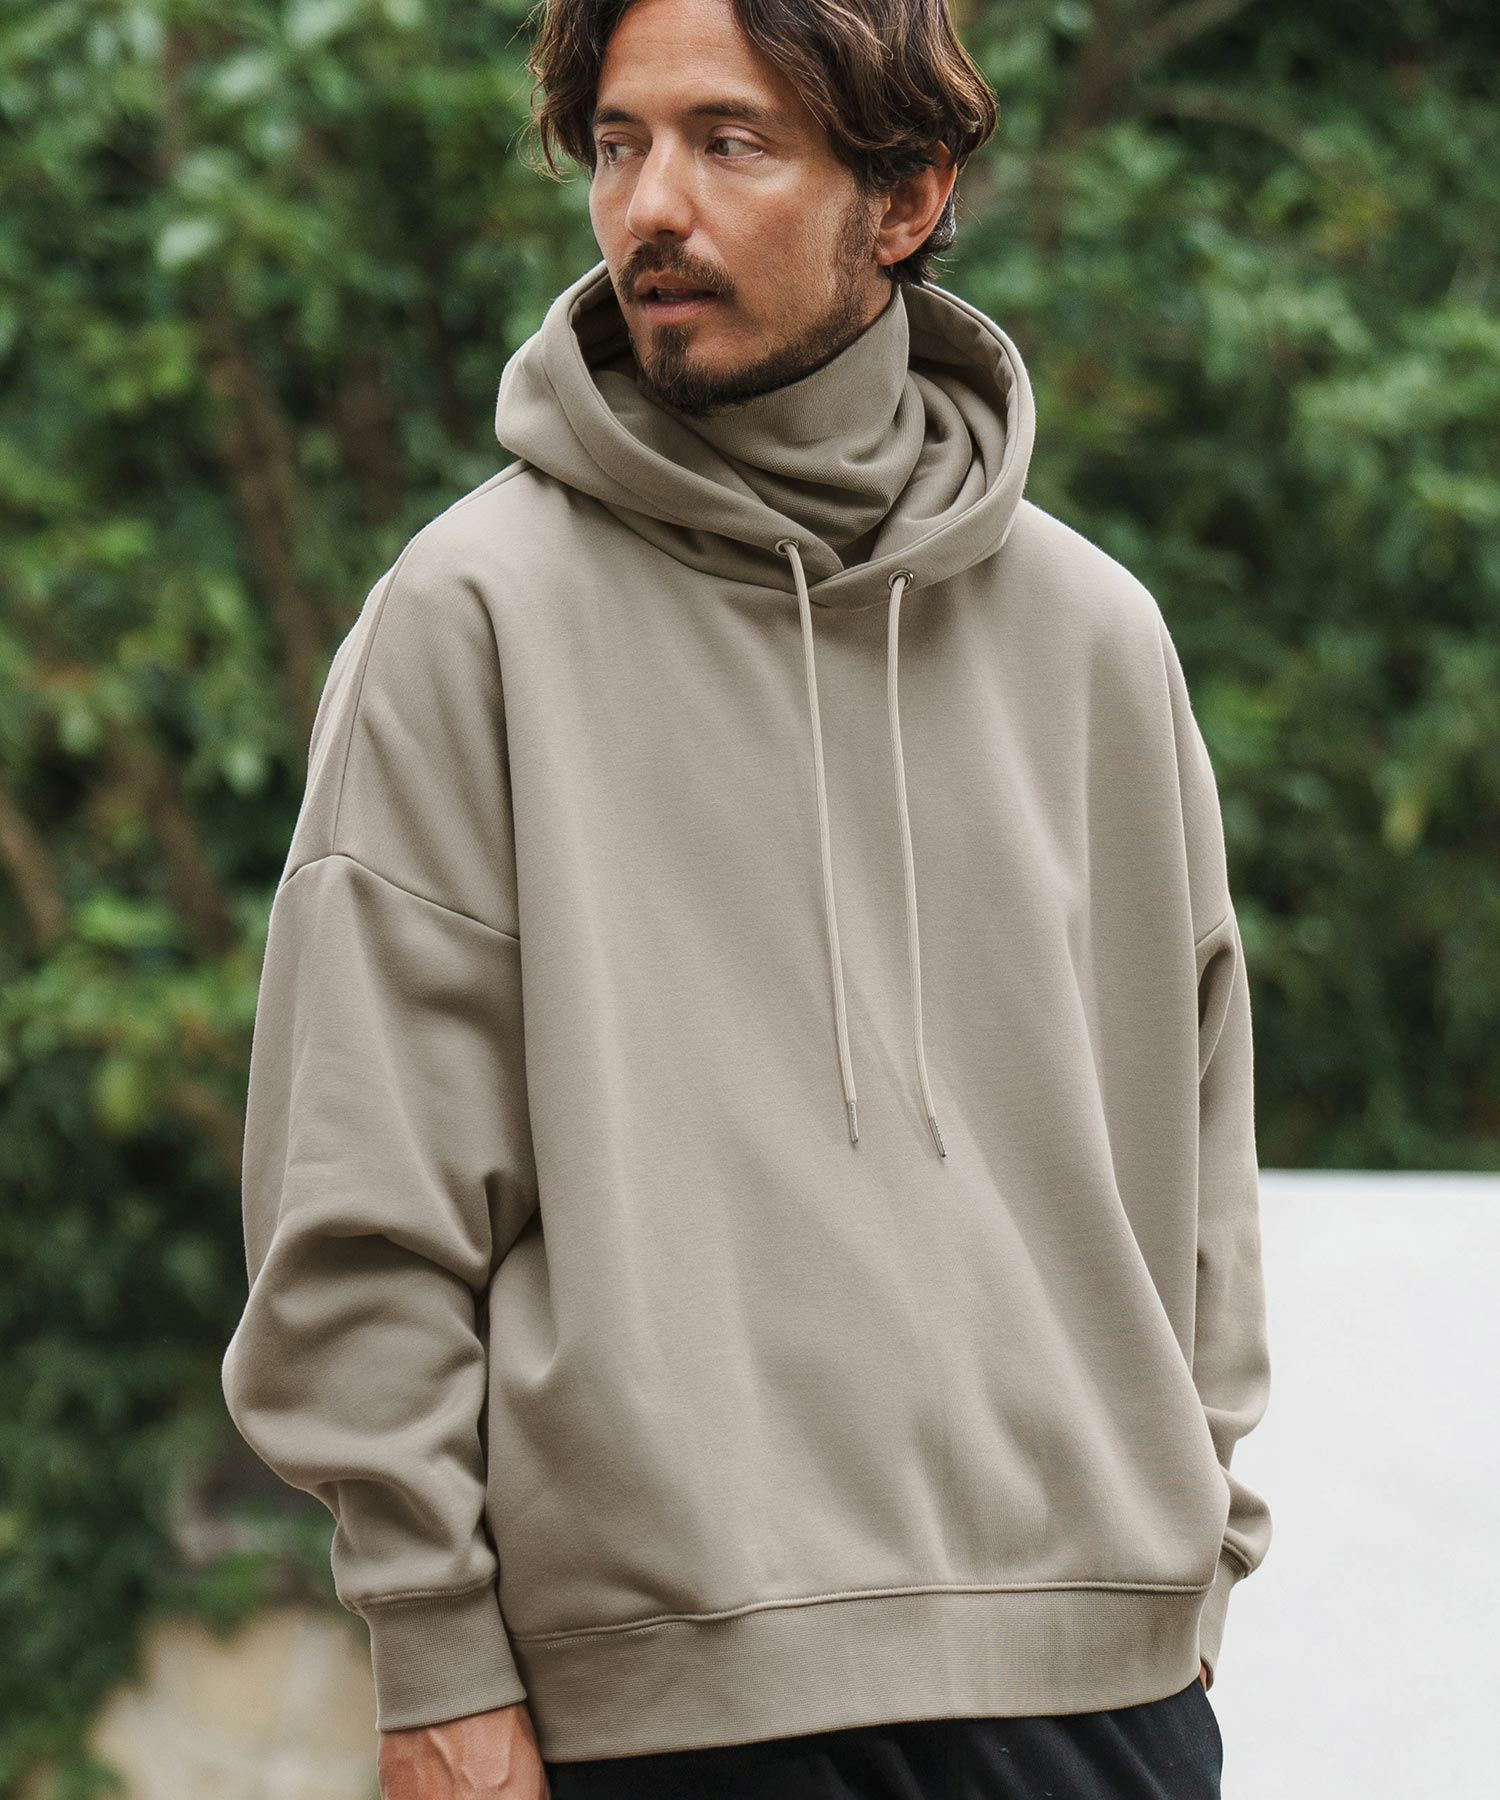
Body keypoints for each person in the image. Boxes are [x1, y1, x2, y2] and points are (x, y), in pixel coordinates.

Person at [220, 0, 1272, 1795]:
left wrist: (1194, 1554)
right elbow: (364, 1187)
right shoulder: (471, 618)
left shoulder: (1095, 637)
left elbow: (1197, 1144)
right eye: (620, 144)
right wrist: (433, 1646)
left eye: (731, 142)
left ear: (905, 194)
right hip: (668, 1713)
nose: (653, 207)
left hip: (1099, 1697)